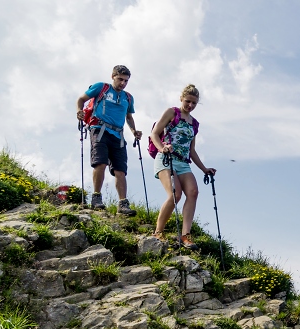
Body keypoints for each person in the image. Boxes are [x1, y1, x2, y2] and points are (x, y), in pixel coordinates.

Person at [150, 84, 216, 250]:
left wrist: (204, 169)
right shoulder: (172, 112)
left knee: (193, 192)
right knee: (175, 194)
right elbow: (154, 133)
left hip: (183, 162)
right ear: (181, 99)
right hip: (166, 159)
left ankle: (185, 236)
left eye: (194, 103)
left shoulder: (194, 124)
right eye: (188, 101)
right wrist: (162, 148)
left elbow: (191, 150)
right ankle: (158, 231)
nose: (190, 106)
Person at [75, 65, 142, 215]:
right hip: (99, 129)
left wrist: (134, 131)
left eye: (126, 81)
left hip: (118, 135)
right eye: (120, 79)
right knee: (101, 162)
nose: (123, 83)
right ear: (113, 76)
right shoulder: (101, 88)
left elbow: (129, 117)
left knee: (120, 170)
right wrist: (79, 111)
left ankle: (123, 204)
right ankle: (96, 197)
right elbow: (81, 99)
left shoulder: (128, 97)